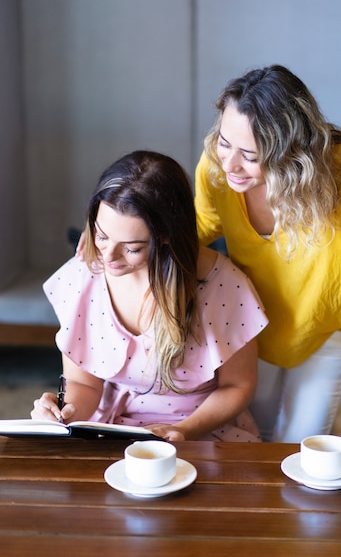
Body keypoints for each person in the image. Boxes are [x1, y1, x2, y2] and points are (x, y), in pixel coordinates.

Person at [194, 64, 341, 454]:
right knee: (253, 445)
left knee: (298, 450)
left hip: (322, 330)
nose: (229, 165)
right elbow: (195, 229)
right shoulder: (216, 170)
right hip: (250, 329)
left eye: (249, 154)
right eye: (225, 142)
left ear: (291, 154)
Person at [31, 150, 268, 442]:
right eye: (102, 236)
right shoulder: (84, 274)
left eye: (131, 248)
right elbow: (85, 384)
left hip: (201, 428)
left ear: (167, 236)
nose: (109, 257)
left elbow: (238, 386)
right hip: (112, 427)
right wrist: (66, 413)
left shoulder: (223, 285)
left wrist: (183, 430)